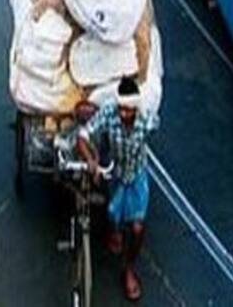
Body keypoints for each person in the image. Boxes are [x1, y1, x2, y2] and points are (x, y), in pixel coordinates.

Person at [77, 78, 157, 301]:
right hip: (116, 172)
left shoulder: (148, 120)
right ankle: (114, 229)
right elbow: (83, 136)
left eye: (128, 111)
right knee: (113, 214)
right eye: (121, 109)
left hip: (137, 175)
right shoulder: (109, 114)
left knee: (138, 228)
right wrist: (91, 160)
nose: (123, 115)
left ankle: (129, 268)